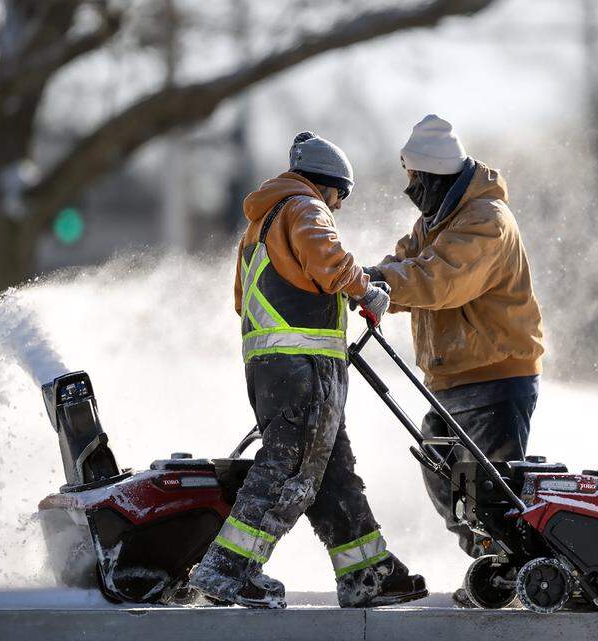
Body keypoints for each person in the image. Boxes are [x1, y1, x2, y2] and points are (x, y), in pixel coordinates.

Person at [188, 132, 426, 609]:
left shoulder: (260, 224)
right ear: (331, 185)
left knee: (332, 473)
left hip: (272, 366)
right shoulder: (305, 207)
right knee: (291, 468)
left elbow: (244, 300)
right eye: (342, 196)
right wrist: (364, 290)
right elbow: (328, 259)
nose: (338, 208)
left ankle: (368, 573)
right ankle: (228, 569)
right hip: (304, 366)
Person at [364, 115, 544, 607]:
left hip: (495, 373)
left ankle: (519, 570)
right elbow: (404, 264)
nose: (408, 190)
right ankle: (493, 562)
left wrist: (375, 284)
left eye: (412, 180)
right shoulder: (432, 224)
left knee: (492, 488)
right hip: (447, 379)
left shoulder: (487, 220)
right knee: (446, 476)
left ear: (431, 176)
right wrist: (364, 281)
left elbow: (441, 280)